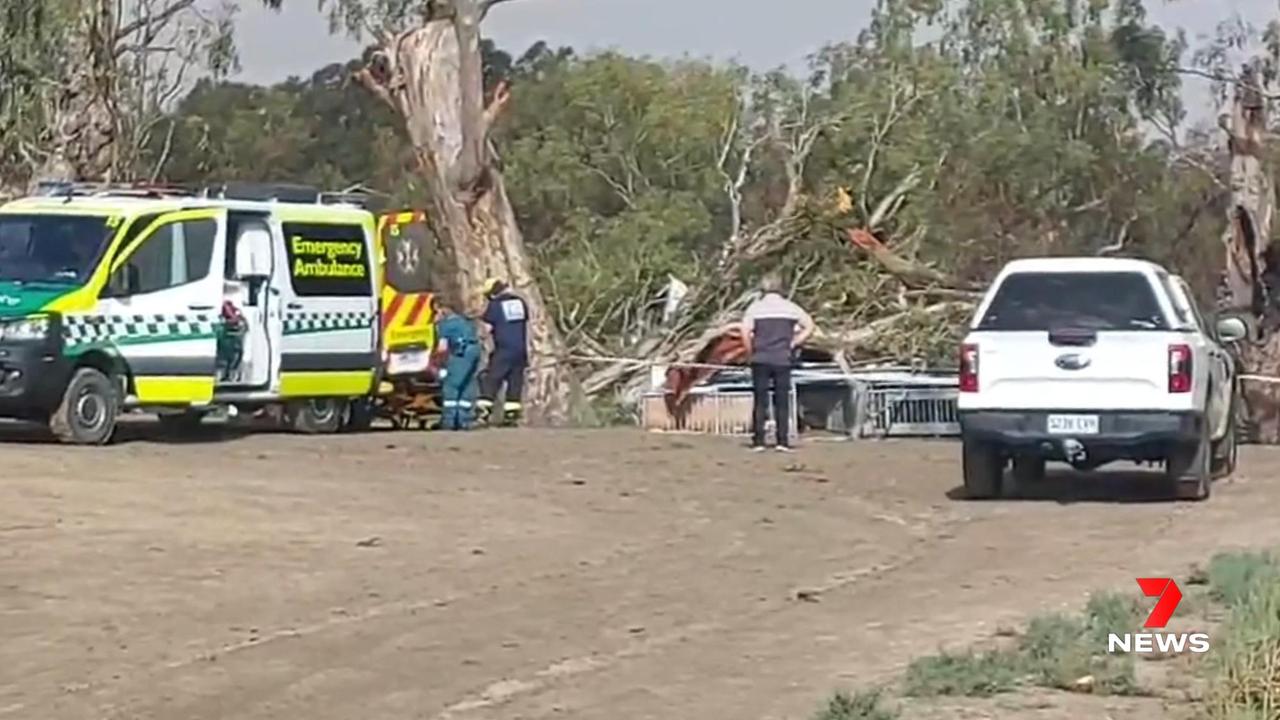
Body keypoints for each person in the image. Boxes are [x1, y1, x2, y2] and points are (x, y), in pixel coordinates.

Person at [740, 273, 816, 452]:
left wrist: (750, 351)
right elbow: (810, 326)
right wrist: (794, 342)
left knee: (760, 400)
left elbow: (744, 331)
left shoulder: (755, 308)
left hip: (761, 357)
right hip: (782, 358)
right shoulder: (790, 308)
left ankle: (759, 440)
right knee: (782, 400)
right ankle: (782, 441)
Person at [477, 278, 529, 426]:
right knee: (515, 383)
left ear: (492, 293)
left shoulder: (495, 305)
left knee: (491, 380)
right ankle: (511, 416)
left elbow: (486, 327)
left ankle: (483, 412)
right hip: (520, 350)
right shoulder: (520, 303)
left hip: (504, 349)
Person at [434, 296, 482, 430]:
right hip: (475, 351)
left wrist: (435, 361)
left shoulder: (445, 325)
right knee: (466, 385)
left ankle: (449, 422)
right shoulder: (464, 321)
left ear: (442, 310)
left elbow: (442, 348)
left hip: (461, 353)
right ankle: (464, 420)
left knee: (451, 385)